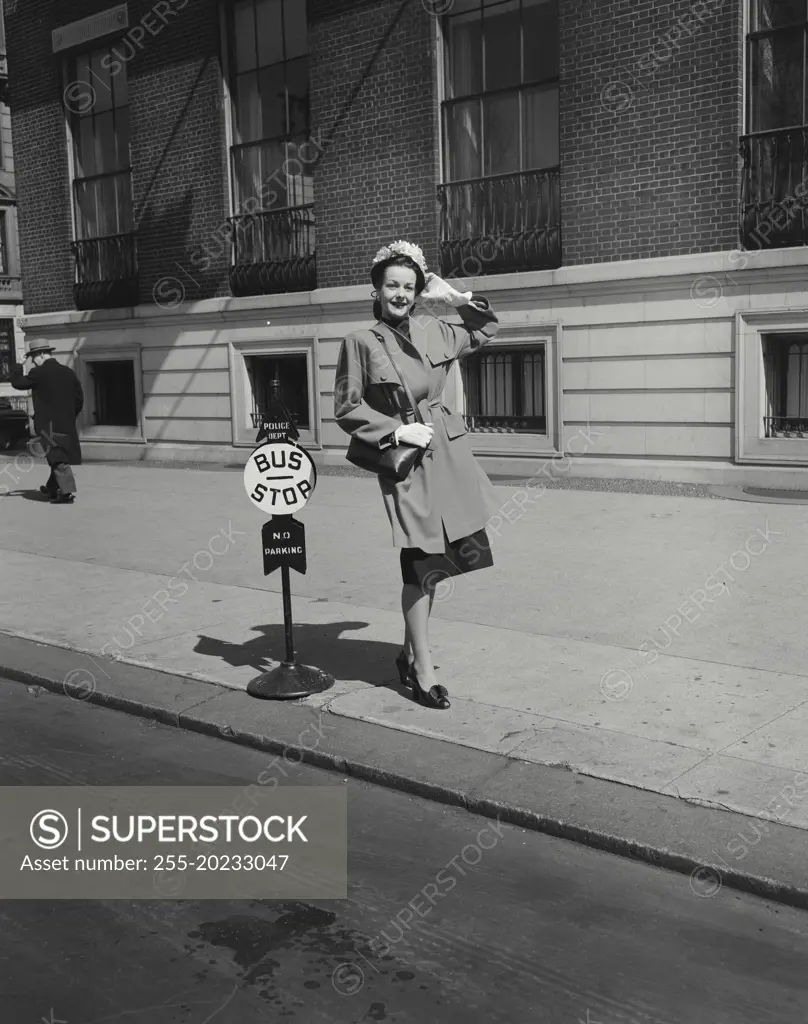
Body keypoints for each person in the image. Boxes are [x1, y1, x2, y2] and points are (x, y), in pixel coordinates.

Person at [334, 240, 500, 710]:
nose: (401, 294)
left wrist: (458, 301)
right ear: (376, 289)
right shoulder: (359, 343)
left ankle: (408, 652)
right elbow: (346, 406)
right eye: (392, 285)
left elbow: (487, 328)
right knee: (420, 567)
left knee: (446, 563)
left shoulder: (436, 329)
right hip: (407, 461)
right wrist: (393, 429)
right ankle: (422, 670)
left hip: (450, 458)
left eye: (409, 286)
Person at [10, 340, 84, 504]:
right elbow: (79, 398)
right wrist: (70, 415)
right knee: (57, 455)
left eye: (32, 358)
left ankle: (66, 493)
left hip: (48, 426)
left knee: (58, 458)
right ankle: (52, 488)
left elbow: (18, 383)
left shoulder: (38, 373)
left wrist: (18, 366)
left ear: (41, 354)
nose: (32, 362)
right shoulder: (68, 372)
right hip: (67, 423)